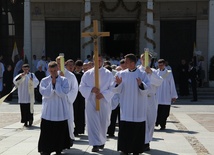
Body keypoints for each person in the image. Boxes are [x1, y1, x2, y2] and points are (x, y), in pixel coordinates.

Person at [114, 53, 150, 155]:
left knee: (137, 129)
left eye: (126, 61)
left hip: (138, 107)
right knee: (125, 129)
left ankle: (136, 150)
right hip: (126, 107)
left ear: (133, 63)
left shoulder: (142, 74)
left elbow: (148, 89)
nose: (124, 63)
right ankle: (124, 149)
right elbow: (115, 89)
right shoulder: (121, 74)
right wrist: (118, 84)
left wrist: (141, 85)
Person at [79, 55, 114, 152]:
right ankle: (95, 143)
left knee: (104, 122)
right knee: (93, 122)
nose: (98, 62)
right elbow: (81, 87)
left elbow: (112, 88)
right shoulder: (87, 74)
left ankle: (102, 141)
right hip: (91, 102)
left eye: (100, 60)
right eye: (96, 60)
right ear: (93, 61)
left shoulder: (108, 74)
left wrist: (103, 95)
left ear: (102, 61)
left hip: (104, 102)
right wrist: (91, 89)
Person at [38, 61, 70, 155]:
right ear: (48, 70)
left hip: (60, 110)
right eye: (51, 71)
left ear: (58, 69)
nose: (53, 72)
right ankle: (46, 149)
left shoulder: (64, 80)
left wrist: (56, 84)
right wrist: (51, 85)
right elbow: (44, 93)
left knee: (59, 131)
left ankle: (58, 148)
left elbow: (64, 93)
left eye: (55, 70)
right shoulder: (44, 80)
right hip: (49, 110)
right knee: (47, 131)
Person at [139, 53, 163, 151]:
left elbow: (159, 82)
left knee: (151, 120)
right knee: (142, 120)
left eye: (147, 59)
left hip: (151, 98)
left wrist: (151, 73)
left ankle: (148, 140)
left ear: (149, 60)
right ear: (140, 60)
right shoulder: (138, 71)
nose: (145, 61)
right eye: (143, 59)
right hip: (141, 98)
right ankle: (143, 142)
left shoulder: (153, 71)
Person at [56, 56, 78, 145]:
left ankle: (69, 139)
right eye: (57, 63)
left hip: (66, 102)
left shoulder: (70, 75)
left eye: (59, 63)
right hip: (56, 103)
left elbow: (74, 89)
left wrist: (67, 97)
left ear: (64, 63)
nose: (58, 65)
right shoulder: (53, 74)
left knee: (68, 120)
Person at [155, 59, 178, 130]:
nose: (160, 66)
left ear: (164, 65)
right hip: (158, 95)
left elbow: (172, 84)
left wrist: (173, 96)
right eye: (159, 65)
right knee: (157, 111)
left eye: (161, 65)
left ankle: (163, 125)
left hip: (166, 95)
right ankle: (157, 122)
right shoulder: (156, 72)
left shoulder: (168, 73)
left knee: (165, 112)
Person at [71, 60, 86, 136]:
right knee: (74, 111)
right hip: (74, 95)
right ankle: (74, 129)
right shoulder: (72, 75)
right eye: (77, 67)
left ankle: (79, 129)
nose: (79, 68)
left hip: (81, 95)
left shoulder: (83, 75)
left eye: (80, 67)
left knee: (81, 111)